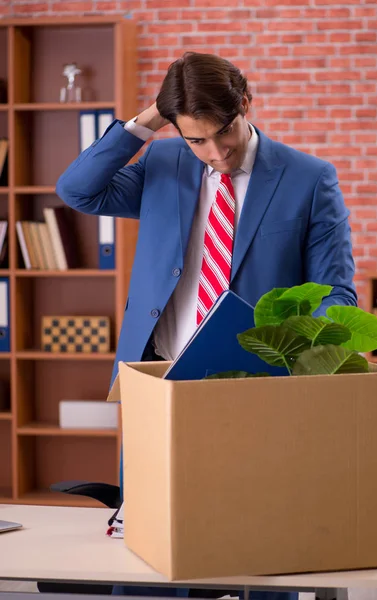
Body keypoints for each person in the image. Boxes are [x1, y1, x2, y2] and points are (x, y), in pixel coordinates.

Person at [56, 52, 357, 600]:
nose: (215, 155)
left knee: (262, 556)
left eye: (224, 134)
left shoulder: (309, 178)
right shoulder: (163, 162)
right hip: (161, 383)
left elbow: (336, 291)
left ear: (246, 104)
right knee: (151, 560)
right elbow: (78, 190)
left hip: (256, 388)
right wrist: (147, 122)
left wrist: (294, 345)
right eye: (197, 140)